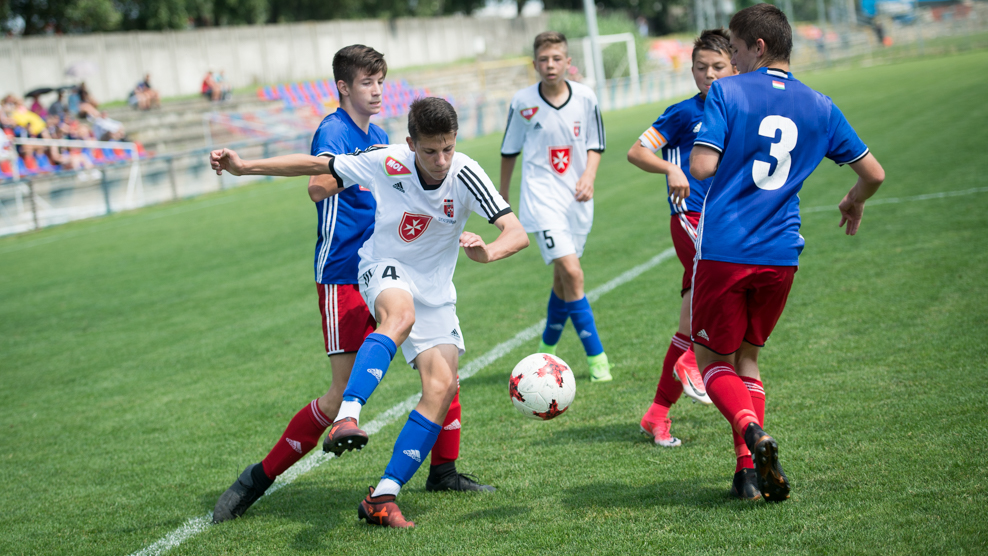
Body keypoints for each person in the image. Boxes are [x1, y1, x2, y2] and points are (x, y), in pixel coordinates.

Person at [210, 96, 529, 527]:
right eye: (430, 151)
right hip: (383, 267)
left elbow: (515, 231)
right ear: (410, 144)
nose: (441, 160)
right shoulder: (387, 160)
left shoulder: (466, 172)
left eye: (448, 148)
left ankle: (383, 496)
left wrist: (487, 252)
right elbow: (316, 165)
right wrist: (244, 166)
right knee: (400, 317)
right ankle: (348, 416)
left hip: (435, 289)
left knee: (442, 387)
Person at [688, 3, 885, 501]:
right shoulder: (821, 105)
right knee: (748, 358)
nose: (731, 61)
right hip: (781, 254)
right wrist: (854, 201)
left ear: (757, 47)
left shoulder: (727, 91)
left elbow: (703, 166)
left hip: (726, 247)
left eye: (734, 50)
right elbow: (873, 174)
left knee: (711, 358)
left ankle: (752, 432)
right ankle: (747, 474)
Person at [626, 29, 736, 448]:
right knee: (729, 285)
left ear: (735, 67)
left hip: (725, 221)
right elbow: (638, 151)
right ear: (691, 71)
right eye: (701, 67)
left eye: (718, 67)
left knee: (689, 324)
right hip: (692, 219)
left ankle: (657, 414)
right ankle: (692, 361)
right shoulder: (683, 113)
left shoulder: (739, 109)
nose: (709, 74)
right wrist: (672, 169)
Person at [499, 31, 611, 382]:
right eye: (544, 59)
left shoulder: (586, 97)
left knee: (563, 280)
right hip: (540, 199)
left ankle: (545, 348)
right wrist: (502, 199)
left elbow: (596, 143)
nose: (550, 65)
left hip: (576, 200)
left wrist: (589, 176)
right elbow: (509, 151)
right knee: (573, 274)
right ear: (535, 64)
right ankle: (597, 359)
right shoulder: (522, 101)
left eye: (557, 58)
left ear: (567, 62)